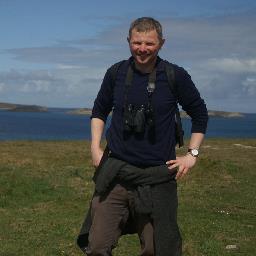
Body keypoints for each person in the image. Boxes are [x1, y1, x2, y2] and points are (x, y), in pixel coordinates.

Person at [77, 17, 208, 256]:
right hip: (116, 172)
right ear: (128, 41)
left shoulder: (175, 75)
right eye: (137, 42)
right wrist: (95, 148)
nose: (142, 49)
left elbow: (200, 114)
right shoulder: (115, 73)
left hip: (157, 176)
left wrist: (192, 154)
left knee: (156, 249)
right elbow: (99, 111)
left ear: (161, 43)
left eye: (149, 43)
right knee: (97, 246)